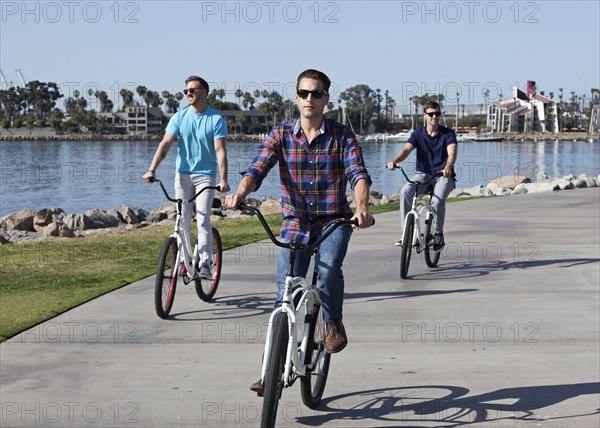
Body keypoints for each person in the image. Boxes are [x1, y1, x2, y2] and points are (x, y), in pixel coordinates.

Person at [224, 69, 374, 396]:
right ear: (296, 97)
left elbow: (358, 175)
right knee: (284, 296)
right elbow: (256, 169)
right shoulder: (281, 135)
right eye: (304, 93)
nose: (310, 99)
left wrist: (361, 208)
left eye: (316, 94)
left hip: (334, 220)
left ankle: (332, 323)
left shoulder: (342, 135)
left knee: (328, 269)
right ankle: (269, 372)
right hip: (295, 222)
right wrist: (240, 193)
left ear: (326, 99)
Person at [143, 75, 229, 278]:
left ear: (204, 92)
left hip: (205, 176)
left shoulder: (215, 119)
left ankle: (206, 262)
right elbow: (165, 144)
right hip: (182, 175)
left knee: (202, 218)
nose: (188, 93)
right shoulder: (179, 117)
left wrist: (223, 180)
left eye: (192, 90)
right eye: (186, 91)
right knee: (181, 219)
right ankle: (183, 259)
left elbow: (220, 152)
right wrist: (151, 169)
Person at [386, 101, 457, 251]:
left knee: (437, 201)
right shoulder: (418, 134)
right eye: (431, 114)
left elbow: (452, 153)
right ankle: (406, 233)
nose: (434, 117)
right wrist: (394, 161)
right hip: (423, 175)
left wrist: (448, 168)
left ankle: (438, 234)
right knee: (406, 191)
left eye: (437, 114)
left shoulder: (448, 134)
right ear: (424, 115)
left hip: (443, 176)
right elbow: (406, 149)